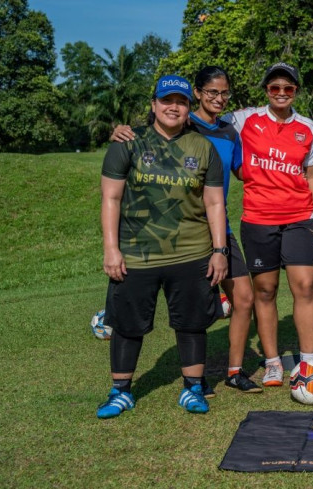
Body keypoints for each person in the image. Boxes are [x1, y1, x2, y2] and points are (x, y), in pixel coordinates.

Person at [111, 67, 262, 394]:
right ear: (198, 93)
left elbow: (244, 172)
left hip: (219, 228)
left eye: (224, 93)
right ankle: (197, 379)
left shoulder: (227, 132)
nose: (219, 99)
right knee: (189, 312)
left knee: (245, 298)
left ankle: (235, 371)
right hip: (176, 233)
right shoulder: (181, 122)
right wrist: (120, 131)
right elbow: (143, 136)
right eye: (212, 93)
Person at [97, 75, 228, 418]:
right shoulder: (127, 142)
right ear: (154, 104)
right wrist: (111, 250)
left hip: (192, 252)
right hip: (137, 254)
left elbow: (215, 203)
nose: (174, 107)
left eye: (181, 102)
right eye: (167, 100)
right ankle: (120, 392)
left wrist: (219, 250)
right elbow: (110, 198)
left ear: (189, 108)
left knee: (192, 323)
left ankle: (193, 389)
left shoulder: (202, 147)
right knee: (128, 324)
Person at [222, 62, 313, 387]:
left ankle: (308, 364)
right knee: (265, 291)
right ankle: (272, 363)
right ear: (266, 90)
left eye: (288, 88)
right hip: (258, 219)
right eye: (274, 88)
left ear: (296, 91)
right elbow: (201, 120)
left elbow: (312, 177)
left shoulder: (307, 126)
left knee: (305, 285)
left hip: (299, 217)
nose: (281, 93)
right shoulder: (243, 119)